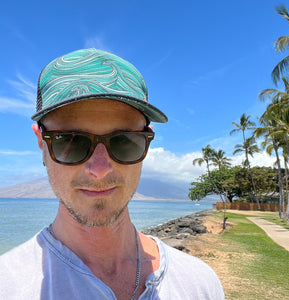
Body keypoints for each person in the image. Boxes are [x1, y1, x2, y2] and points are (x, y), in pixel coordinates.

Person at [0, 48, 225, 299]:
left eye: (124, 141)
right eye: (70, 141)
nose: (99, 169)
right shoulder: (8, 285)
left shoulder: (200, 284)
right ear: (41, 142)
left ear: (147, 140)